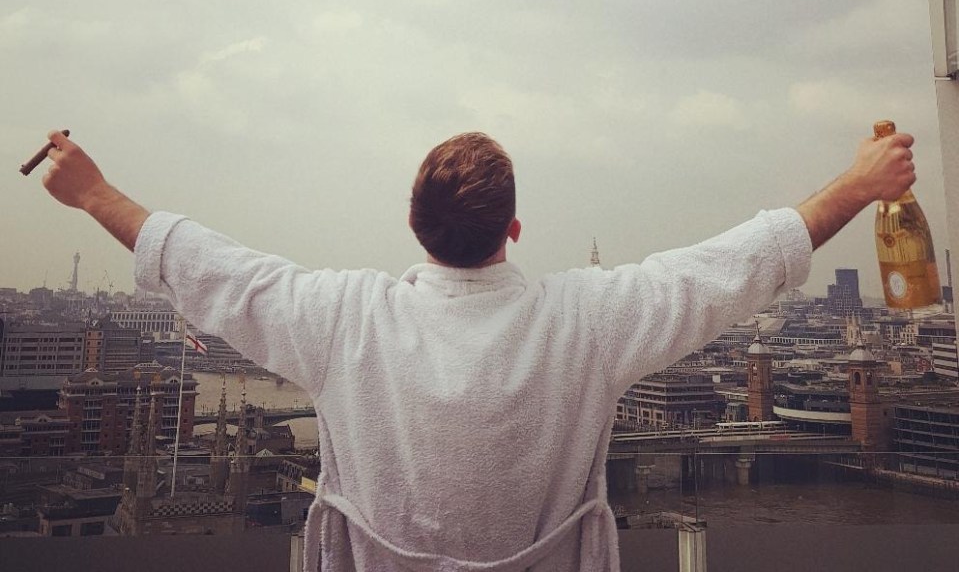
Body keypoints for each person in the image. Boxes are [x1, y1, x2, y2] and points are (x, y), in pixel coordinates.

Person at [39, 127, 915, 571]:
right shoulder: (587, 319)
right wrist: (857, 183)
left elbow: (208, 269)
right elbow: (734, 268)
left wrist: (94, 192)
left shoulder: (343, 317)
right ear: (515, 229)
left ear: (415, 230)